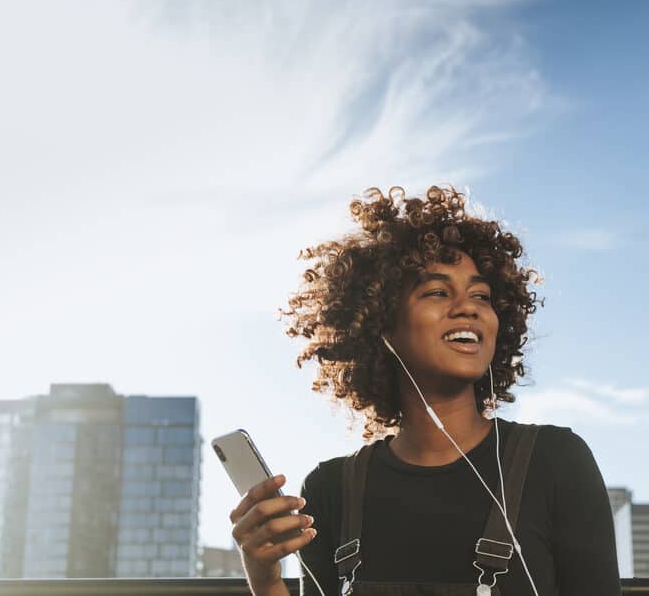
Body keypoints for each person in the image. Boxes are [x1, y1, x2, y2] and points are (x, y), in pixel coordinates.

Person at [229, 185, 621, 596]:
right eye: (437, 291)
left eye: (481, 295)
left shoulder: (556, 462)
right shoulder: (330, 489)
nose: (467, 307)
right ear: (378, 322)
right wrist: (265, 578)